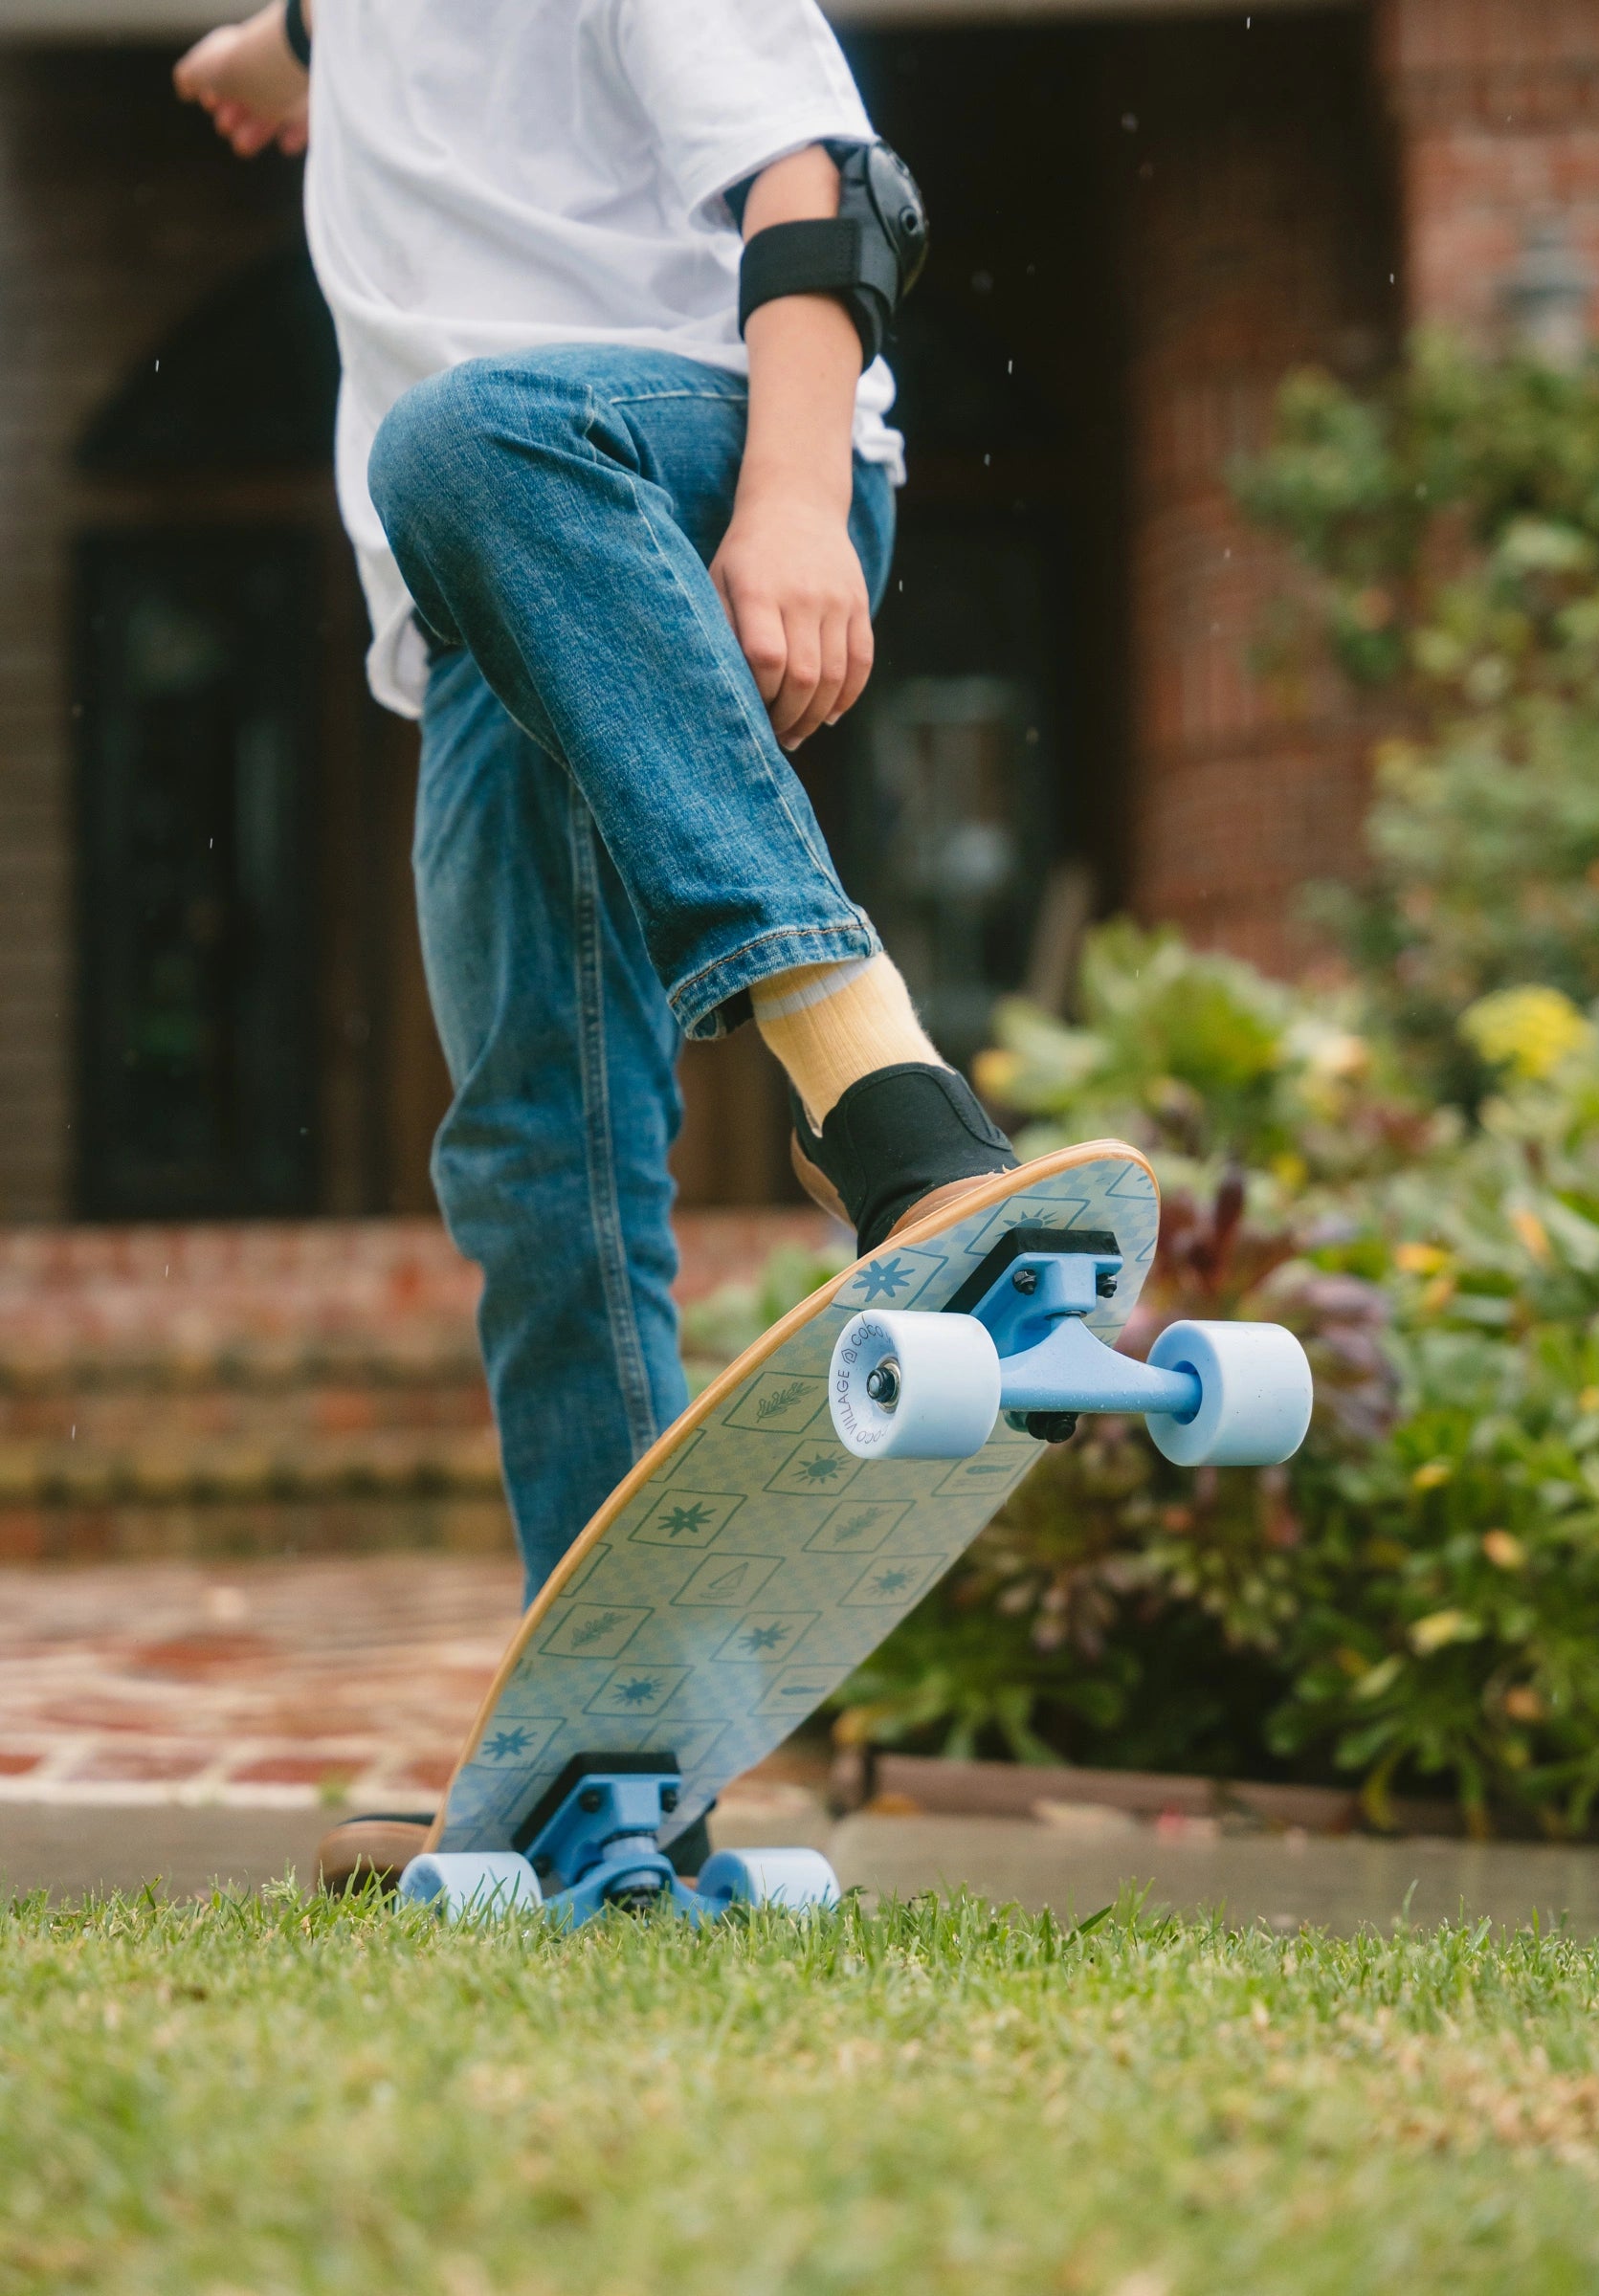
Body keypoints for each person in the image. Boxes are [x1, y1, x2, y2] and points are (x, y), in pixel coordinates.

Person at [174, 0, 1021, 1613]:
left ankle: (875, 1089)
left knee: (464, 434)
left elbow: (821, 181)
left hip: (698, 461)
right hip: (485, 597)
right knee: (527, 1152)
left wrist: (787, 502)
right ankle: (621, 1734)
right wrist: (272, 57)